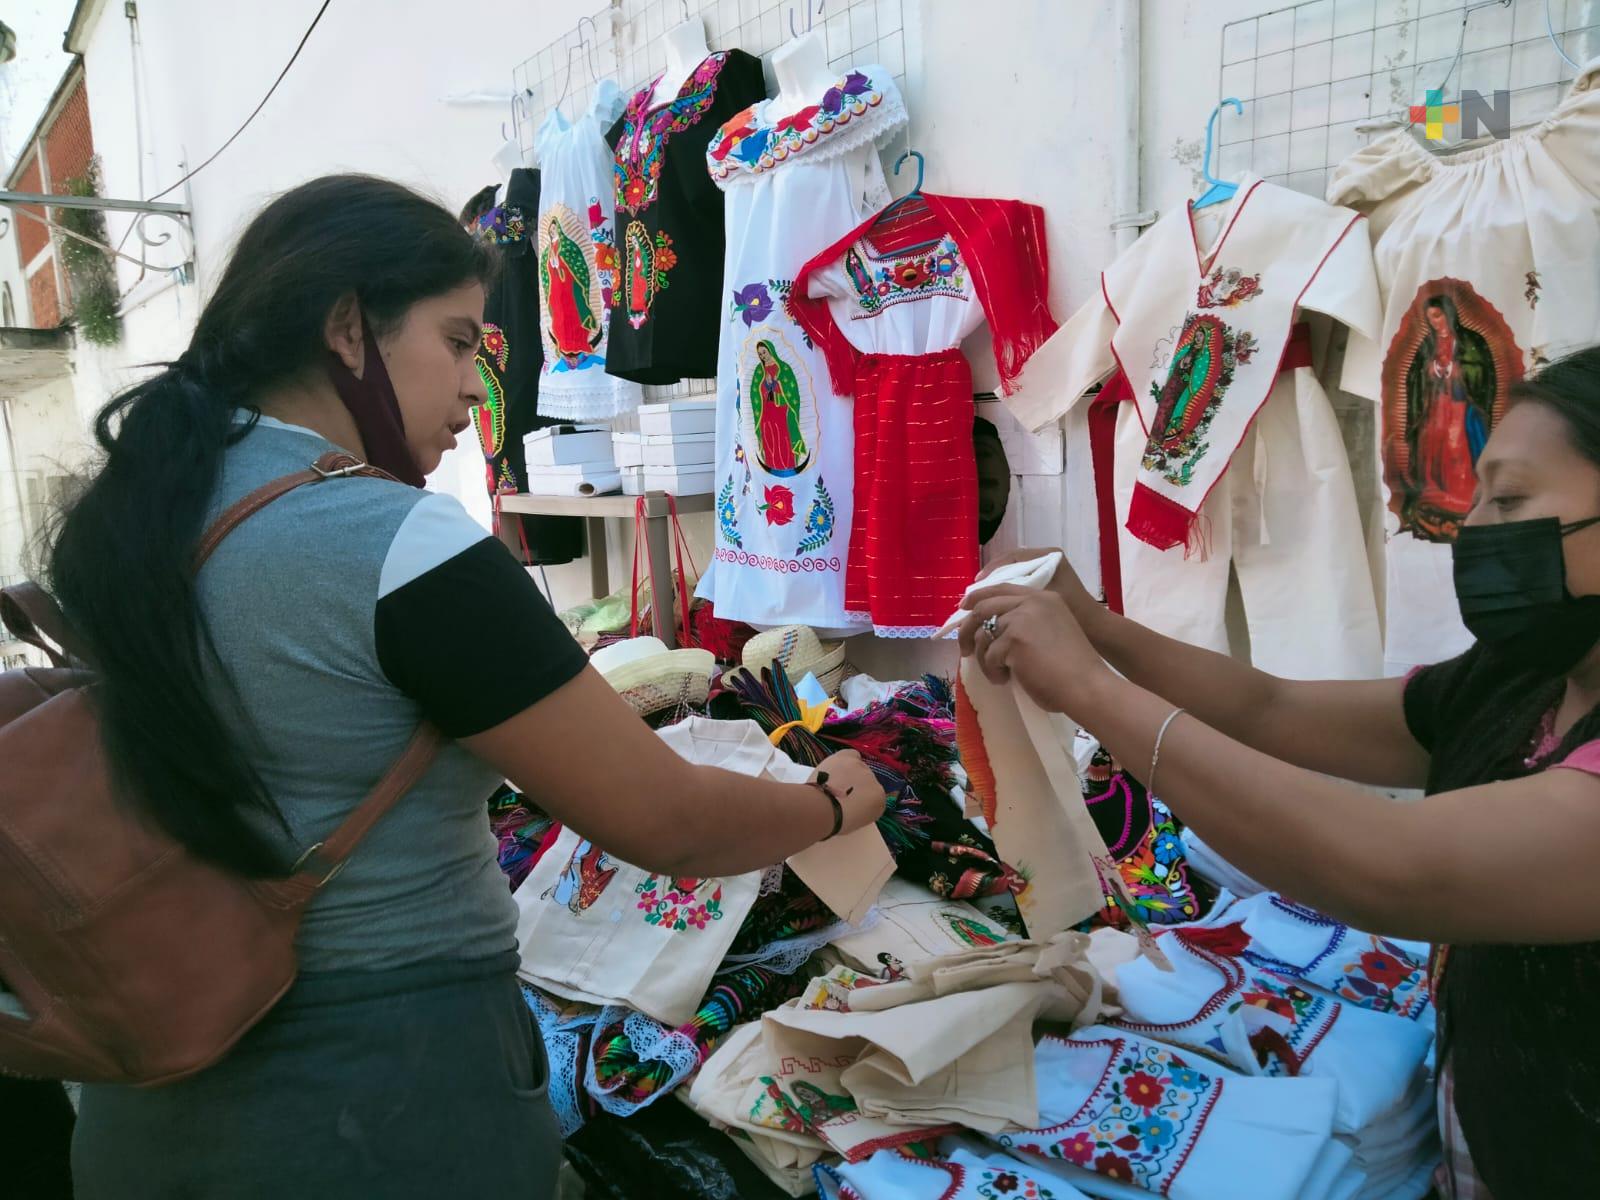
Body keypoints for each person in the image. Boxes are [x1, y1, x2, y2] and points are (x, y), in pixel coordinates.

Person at [50, 175, 883, 1199]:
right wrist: (830, 802)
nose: (472, 391)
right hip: (380, 1102)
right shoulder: (394, 544)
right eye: (455, 344)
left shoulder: (132, 520)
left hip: (151, 1089)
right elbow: (668, 822)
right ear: (347, 328)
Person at [960, 346, 1600, 1200]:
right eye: (1477, 494)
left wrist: (1084, 687)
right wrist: (1099, 629)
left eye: (1512, 499)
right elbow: (1274, 711)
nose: (1476, 526)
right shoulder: (1520, 683)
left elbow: (1387, 865)